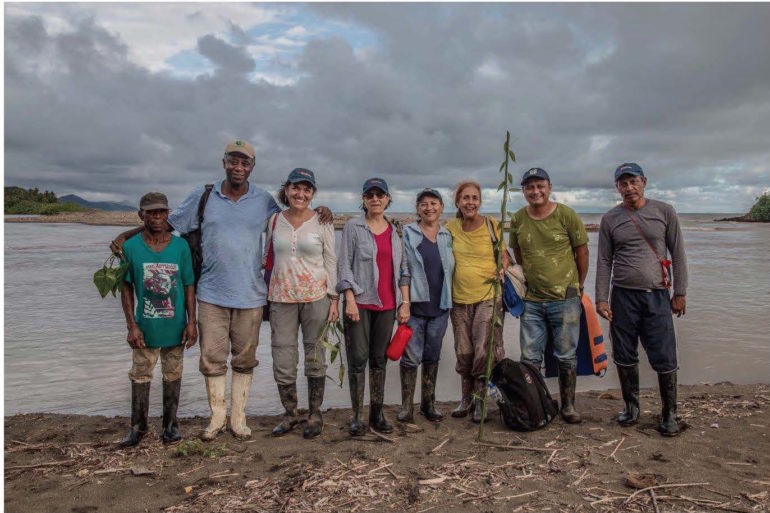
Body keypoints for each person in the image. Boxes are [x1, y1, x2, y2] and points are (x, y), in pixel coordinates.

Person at [110, 139, 333, 441]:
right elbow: (168, 224)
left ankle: (239, 419)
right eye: (234, 161)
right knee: (212, 358)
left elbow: (295, 215)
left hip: (252, 295)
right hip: (211, 294)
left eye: (245, 163)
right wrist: (128, 235)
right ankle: (216, 418)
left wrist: (322, 210)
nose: (239, 167)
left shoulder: (265, 202)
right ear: (224, 162)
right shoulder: (203, 196)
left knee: (245, 358)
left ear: (252, 167)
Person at [595, 163, 688, 437]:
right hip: (622, 295)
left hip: (657, 295)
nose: (629, 188)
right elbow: (603, 261)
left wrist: (680, 292)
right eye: (623, 184)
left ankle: (669, 413)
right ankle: (631, 408)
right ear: (617, 188)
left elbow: (678, 253)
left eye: (633, 182)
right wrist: (601, 298)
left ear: (644, 182)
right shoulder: (610, 219)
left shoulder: (664, 212)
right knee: (624, 353)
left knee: (664, 354)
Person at [509, 168, 589, 424]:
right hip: (531, 301)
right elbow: (518, 253)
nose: (535, 191)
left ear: (549, 187)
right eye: (529, 187)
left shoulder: (566, 214)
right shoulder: (519, 218)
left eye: (539, 186)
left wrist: (578, 284)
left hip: (565, 299)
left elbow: (582, 252)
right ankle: (538, 404)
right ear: (523, 191)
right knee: (530, 356)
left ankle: (568, 406)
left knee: (566, 355)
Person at [119, 192, 197, 447]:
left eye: (161, 212)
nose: (157, 217)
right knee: (140, 374)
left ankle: (170, 426)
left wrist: (191, 321)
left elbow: (188, 285)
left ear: (168, 214)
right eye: (151, 212)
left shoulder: (180, 246)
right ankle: (138, 428)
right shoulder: (130, 248)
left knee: (173, 374)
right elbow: (126, 288)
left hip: (174, 328)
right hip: (145, 327)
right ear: (141, 215)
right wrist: (132, 325)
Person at [267, 168, 339, 439]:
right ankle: (290, 413)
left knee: (315, 355)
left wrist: (334, 299)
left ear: (313, 194)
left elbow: (331, 260)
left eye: (307, 189)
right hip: (281, 297)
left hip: (316, 297)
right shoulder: (274, 220)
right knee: (283, 356)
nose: (301, 194)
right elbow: (267, 255)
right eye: (296, 188)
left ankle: (315, 413)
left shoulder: (322, 221)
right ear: (286, 190)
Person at [337, 178, 409, 435]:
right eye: (370, 195)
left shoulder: (396, 230)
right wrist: (350, 300)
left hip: (388, 306)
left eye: (380, 194)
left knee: (379, 360)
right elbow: (344, 265)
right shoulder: (353, 227)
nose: (375, 199)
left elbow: (403, 270)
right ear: (364, 199)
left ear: (388, 199)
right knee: (357, 360)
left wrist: (405, 303)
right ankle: (357, 417)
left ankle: (377, 414)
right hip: (360, 304)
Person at [445, 180, 508, 423]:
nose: (470, 202)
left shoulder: (492, 225)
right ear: (458, 202)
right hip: (459, 299)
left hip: (488, 297)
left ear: (479, 202)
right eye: (465, 198)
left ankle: (481, 401)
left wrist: (500, 272)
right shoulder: (450, 228)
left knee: (483, 350)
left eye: (474, 198)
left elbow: (503, 256)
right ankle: (466, 399)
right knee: (464, 351)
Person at [397, 188, 455, 423]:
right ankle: (406, 407)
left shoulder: (447, 235)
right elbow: (404, 270)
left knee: (432, 355)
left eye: (433, 203)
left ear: (441, 207)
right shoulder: (407, 233)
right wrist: (405, 303)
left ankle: (428, 404)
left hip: (441, 306)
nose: (429, 207)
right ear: (417, 209)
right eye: (423, 204)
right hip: (414, 308)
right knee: (411, 357)